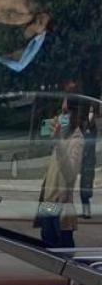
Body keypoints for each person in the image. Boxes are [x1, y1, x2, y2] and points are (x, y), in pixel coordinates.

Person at [34, 99, 85, 249]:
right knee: (47, 249)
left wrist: (58, 142)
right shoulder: (61, 134)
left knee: (64, 251)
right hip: (48, 202)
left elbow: (70, 173)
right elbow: (40, 138)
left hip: (60, 205)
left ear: (74, 114)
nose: (61, 116)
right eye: (61, 111)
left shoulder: (77, 139)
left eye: (64, 112)